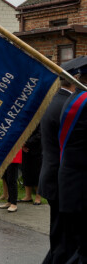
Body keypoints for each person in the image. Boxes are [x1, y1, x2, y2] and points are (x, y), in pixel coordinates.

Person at [39, 62, 77, 264]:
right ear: (75, 80)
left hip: (53, 175)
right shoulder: (67, 106)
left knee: (60, 236)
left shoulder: (55, 101)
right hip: (62, 179)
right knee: (63, 239)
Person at [57, 65, 87, 263]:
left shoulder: (73, 100)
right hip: (79, 190)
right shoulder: (83, 104)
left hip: (71, 185)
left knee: (69, 247)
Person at [19, 126, 42, 205]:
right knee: (26, 172)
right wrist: (21, 144)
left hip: (37, 150)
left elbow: (39, 134)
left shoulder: (39, 118)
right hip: (24, 150)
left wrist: (26, 143)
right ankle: (28, 196)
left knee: (37, 173)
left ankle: (38, 197)